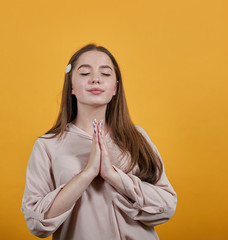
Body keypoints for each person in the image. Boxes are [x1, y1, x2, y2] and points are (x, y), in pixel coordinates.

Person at [21, 43, 177, 240]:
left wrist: (113, 176)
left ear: (115, 88)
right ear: (71, 86)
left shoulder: (138, 137)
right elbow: (37, 224)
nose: (95, 79)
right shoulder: (47, 145)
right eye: (85, 73)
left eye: (105, 73)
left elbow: (167, 206)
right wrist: (86, 174)